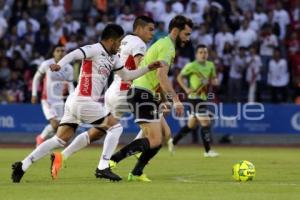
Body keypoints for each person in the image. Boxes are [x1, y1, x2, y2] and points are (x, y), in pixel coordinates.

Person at [11, 24, 162, 183]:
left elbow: (127, 75)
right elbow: (74, 54)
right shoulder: (95, 49)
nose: (119, 46)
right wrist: (60, 64)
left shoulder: (113, 57)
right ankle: (103, 167)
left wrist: (148, 68)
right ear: (111, 41)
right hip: (83, 101)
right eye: (118, 42)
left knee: (60, 139)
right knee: (115, 127)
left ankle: (22, 165)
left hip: (76, 102)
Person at [49, 16, 171, 180]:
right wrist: (158, 93)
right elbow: (137, 66)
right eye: (150, 29)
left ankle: (62, 156)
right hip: (125, 92)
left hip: (113, 90)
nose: (152, 33)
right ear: (139, 28)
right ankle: (112, 162)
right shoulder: (139, 44)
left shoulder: (125, 40)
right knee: (157, 127)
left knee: (99, 131)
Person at [109, 15, 193, 182]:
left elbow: (156, 78)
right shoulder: (168, 47)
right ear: (177, 30)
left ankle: (136, 172)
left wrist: (163, 101)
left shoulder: (164, 44)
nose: (188, 38)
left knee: (162, 135)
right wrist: (176, 100)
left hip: (145, 93)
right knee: (155, 139)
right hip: (142, 93)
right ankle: (113, 160)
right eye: (187, 34)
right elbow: (162, 76)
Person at [169, 44, 220, 157]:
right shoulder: (191, 66)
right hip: (194, 98)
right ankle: (208, 151)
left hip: (203, 98)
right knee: (205, 122)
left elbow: (214, 79)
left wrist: (212, 82)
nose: (203, 54)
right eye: (201, 52)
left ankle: (173, 141)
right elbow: (179, 77)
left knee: (191, 126)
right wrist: (186, 88)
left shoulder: (211, 65)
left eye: (205, 52)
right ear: (196, 54)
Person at [32, 45, 74, 146]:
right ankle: (41, 139)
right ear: (53, 53)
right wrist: (34, 94)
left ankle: (41, 138)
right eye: (58, 50)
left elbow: (70, 84)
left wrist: (73, 97)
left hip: (59, 100)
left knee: (59, 126)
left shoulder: (69, 67)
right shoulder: (46, 64)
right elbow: (36, 78)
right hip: (47, 99)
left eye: (63, 51)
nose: (60, 52)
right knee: (55, 125)